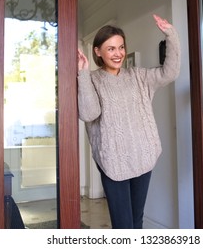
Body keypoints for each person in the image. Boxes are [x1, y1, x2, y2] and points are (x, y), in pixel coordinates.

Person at [77, 14, 180, 229]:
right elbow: (88, 114)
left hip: (143, 156)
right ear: (97, 51)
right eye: (111, 48)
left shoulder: (139, 76)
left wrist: (171, 34)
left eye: (121, 47)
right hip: (113, 161)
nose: (118, 54)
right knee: (123, 226)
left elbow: (170, 73)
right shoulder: (92, 80)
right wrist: (83, 74)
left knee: (136, 220)